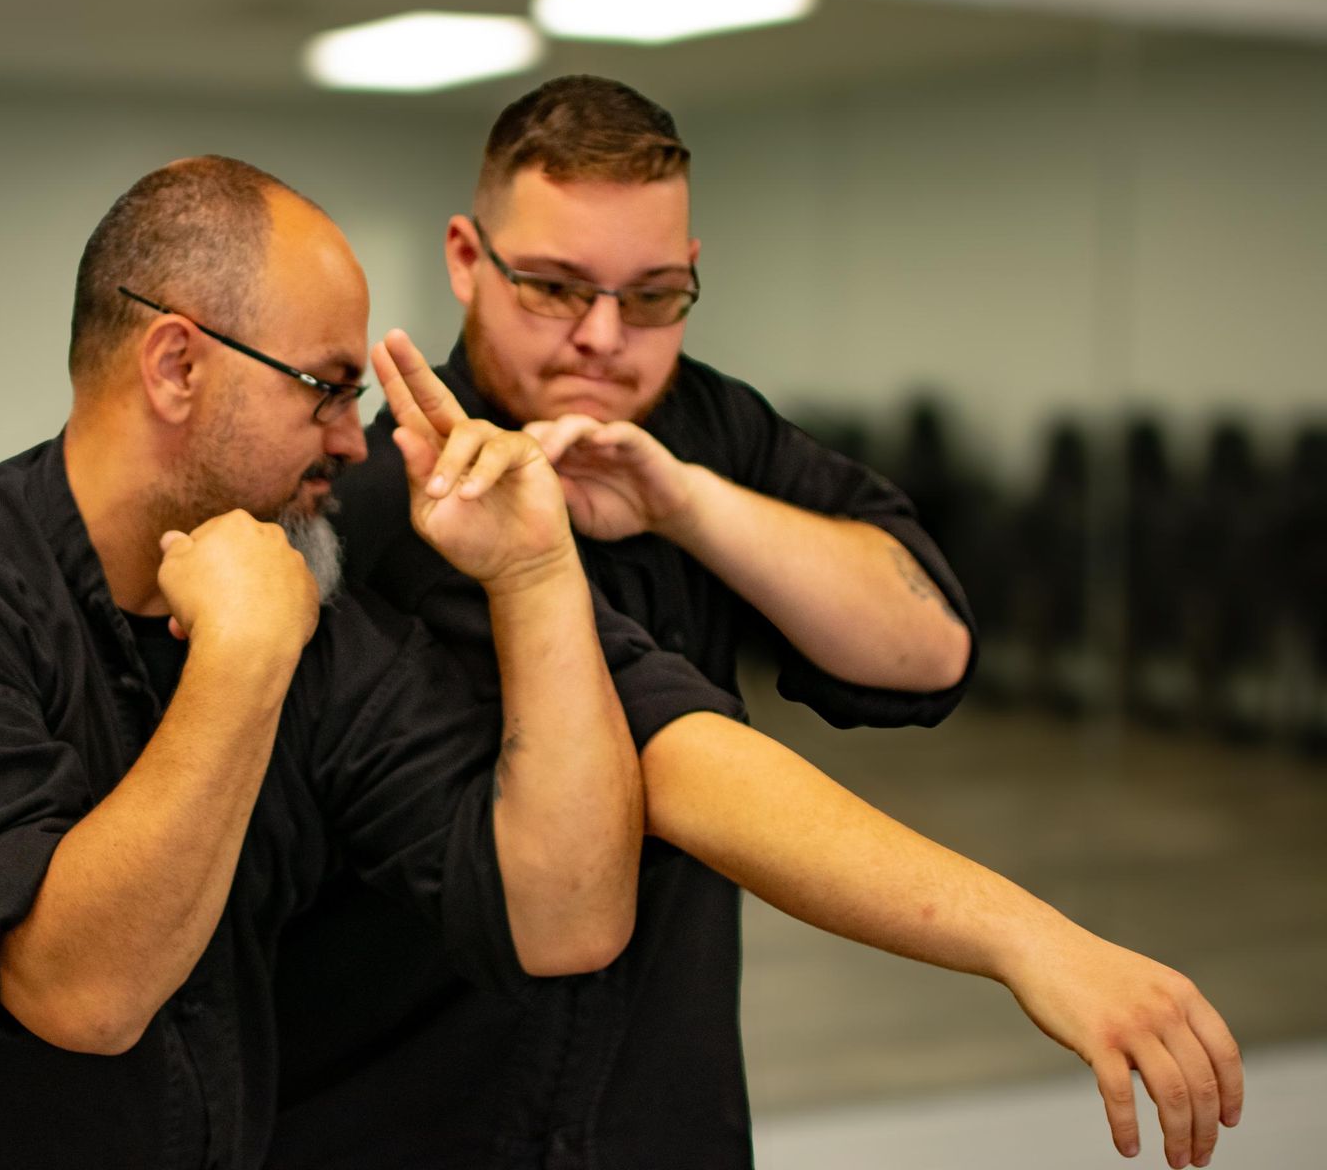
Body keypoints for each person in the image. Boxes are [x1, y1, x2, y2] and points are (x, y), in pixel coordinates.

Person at [272, 76, 1241, 1170]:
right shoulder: (403, 504)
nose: (603, 337)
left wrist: (688, 503)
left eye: (652, 297)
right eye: (553, 287)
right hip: (419, 1113)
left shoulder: (702, 423)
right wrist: (1024, 933)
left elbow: (927, 643)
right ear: (465, 258)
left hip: (659, 1111)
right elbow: (679, 764)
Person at [0, 156, 733, 1168]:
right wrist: (242, 659)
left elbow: (565, 916)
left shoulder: (310, 606)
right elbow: (80, 991)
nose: (357, 443)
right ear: (177, 365)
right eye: (327, 390)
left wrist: (533, 571)